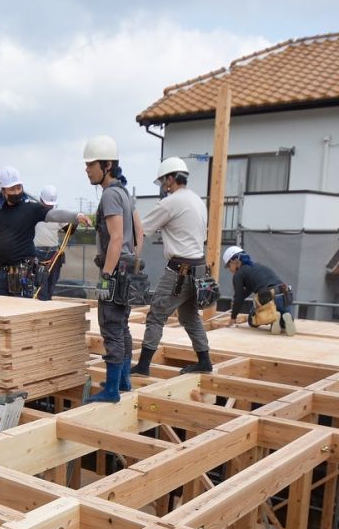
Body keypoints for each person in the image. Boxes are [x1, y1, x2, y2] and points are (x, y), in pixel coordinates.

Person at [0, 167, 84, 298]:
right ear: (3, 190)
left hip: (22, 273)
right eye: (12, 189)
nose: (17, 192)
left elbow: (54, 215)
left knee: (21, 313)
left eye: (19, 187)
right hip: (1, 273)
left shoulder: (31, 209)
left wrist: (75, 216)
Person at [132, 158, 212, 376]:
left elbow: (141, 228)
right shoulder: (197, 200)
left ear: (170, 178)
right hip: (198, 269)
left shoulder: (171, 202)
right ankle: (204, 361)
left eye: (163, 182)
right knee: (190, 316)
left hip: (180, 270)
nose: (163, 187)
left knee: (156, 315)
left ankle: (143, 366)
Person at [83, 135, 143, 403]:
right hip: (127, 269)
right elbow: (139, 232)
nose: (87, 170)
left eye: (90, 165)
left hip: (115, 271)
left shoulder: (109, 195)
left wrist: (106, 276)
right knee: (123, 327)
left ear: (106, 165)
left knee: (110, 327)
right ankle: (123, 382)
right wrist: (132, 260)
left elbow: (117, 238)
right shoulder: (124, 193)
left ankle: (111, 391)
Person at [222, 246, 296, 335]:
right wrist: (237, 301)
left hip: (269, 297)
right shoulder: (258, 266)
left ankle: (275, 317)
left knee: (252, 321)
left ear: (234, 261)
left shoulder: (239, 274)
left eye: (228, 265)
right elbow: (247, 291)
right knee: (284, 322)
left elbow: (239, 297)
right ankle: (283, 321)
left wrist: (233, 319)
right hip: (285, 294)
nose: (229, 269)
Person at [33, 185, 75, 301]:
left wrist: (75, 220)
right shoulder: (33, 212)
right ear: (40, 200)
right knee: (40, 286)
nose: (49, 207)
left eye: (51, 205)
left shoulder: (56, 214)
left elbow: (69, 231)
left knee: (50, 286)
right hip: (37, 254)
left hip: (53, 255)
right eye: (47, 204)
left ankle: (46, 303)